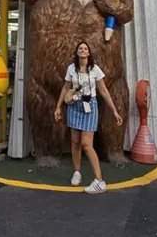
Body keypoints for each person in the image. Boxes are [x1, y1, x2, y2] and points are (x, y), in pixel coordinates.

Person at [53, 41, 123, 195]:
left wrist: (114, 111)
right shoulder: (71, 69)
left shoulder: (95, 70)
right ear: (77, 52)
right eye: (80, 48)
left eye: (85, 48)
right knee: (75, 142)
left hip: (89, 106)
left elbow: (103, 91)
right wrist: (58, 107)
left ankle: (99, 181)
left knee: (86, 144)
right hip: (74, 105)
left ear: (89, 53)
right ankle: (77, 172)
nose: (83, 50)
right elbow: (65, 88)